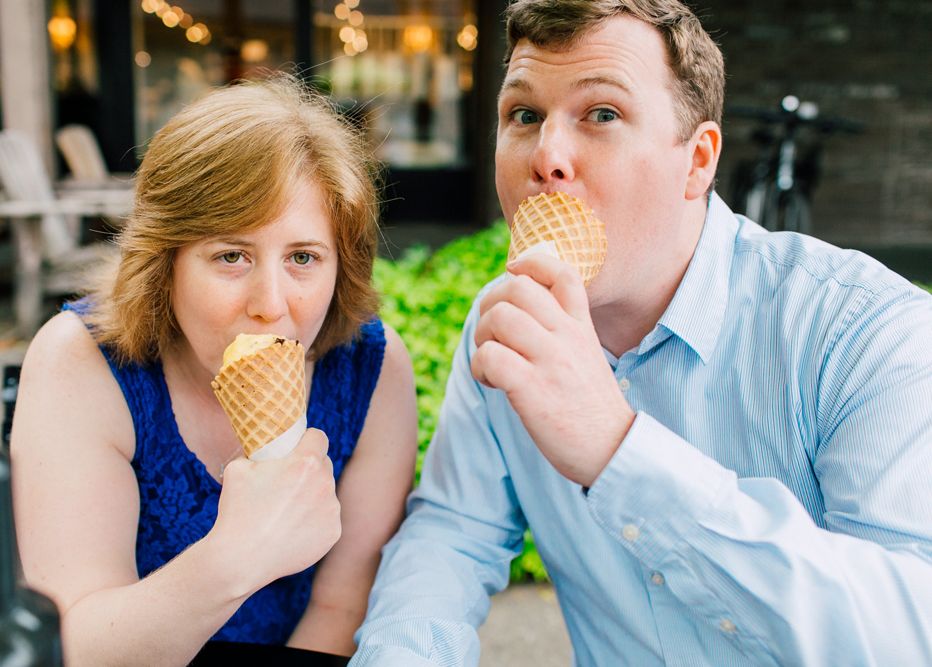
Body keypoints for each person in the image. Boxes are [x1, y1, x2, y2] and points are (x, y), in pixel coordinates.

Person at [351, 1, 932, 665]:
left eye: (602, 114)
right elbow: (453, 536)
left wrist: (615, 448)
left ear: (698, 162)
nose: (546, 156)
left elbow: (908, 636)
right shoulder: (508, 319)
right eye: (525, 115)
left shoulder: (865, 333)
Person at [10, 75, 418, 666]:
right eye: (231, 255)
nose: (270, 304)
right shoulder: (81, 362)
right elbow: (77, 645)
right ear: (165, 259)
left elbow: (341, 607)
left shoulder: (369, 369)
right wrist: (236, 556)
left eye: (303, 257)